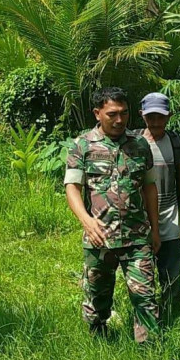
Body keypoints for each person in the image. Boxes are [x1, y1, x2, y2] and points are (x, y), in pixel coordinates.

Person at [64, 87, 161, 343]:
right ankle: (99, 339)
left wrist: (156, 229)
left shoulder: (140, 144)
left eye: (124, 113)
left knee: (145, 296)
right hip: (100, 237)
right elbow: (72, 187)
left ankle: (149, 351)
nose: (119, 120)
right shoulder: (81, 145)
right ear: (97, 113)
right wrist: (87, 221)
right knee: (97, 296)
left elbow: (150, 187)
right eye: (112, 114)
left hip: (137, 235)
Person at [138, 92, 180, 318]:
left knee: (171, 262)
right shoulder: (135, 143)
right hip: (140, 215)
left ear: (169, 116)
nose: (155, 122)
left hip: (169, 211)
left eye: (160, 117)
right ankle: (146, 308)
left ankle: (172, 309)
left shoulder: (176, 142)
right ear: (142, 116)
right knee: (142, 264)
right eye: (151, 117)